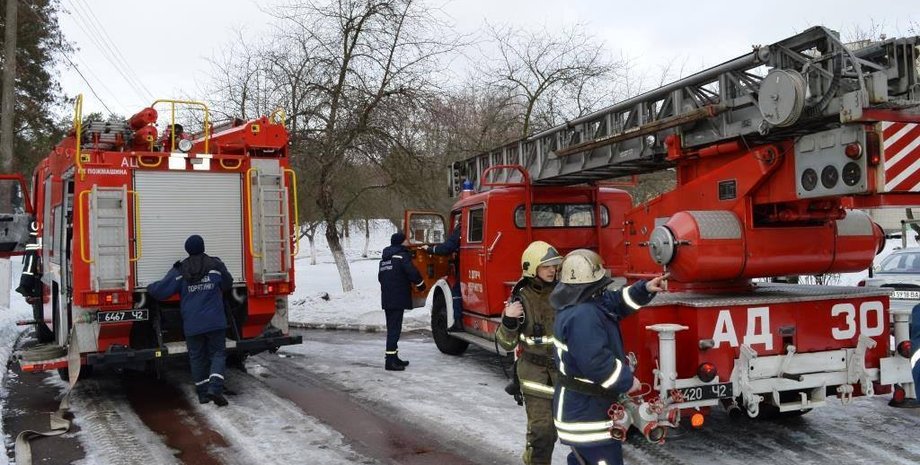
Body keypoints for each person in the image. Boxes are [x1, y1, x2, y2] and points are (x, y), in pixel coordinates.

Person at [550, 249, 667, 465]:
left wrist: (644, 290)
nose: (603, 289)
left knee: (581, 460)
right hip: (588, 417)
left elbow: (614, 302)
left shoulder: (582, 304)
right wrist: (627, 381)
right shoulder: (583, 316)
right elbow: (596, 363)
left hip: (583, 409)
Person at [495, 241, 563, 465]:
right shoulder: (520, 299)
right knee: (542, 433)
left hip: (564, 373)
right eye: (546, 266)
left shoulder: (564, 293)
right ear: (532, 268)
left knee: (570, 432)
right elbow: (506, 344)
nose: (552, 270)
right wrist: (509, 320)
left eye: (554, 266)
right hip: (535, 375)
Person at [147, 235, 233, 406]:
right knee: (217, 353)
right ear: (203, 247)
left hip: (193, 323)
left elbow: (161, 291)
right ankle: (215, 388)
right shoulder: (216, 265)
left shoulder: (180, 270)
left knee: (197, 357)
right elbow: (227, 284)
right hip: (215, 321)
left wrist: (149, 288)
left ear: (187, 250)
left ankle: (203, 394)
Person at [378, 231, 426, 371]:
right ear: (401, 242)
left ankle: (394, 357)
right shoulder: (402, 256)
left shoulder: (384, 259)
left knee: (392, 328)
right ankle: (390, 362)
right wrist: (421, 285)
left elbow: (380, 278)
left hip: (388, 298)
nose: (407, 242)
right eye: (405, 240)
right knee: (394, 330)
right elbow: (412, 272)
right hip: (398, 298)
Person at [425, 219, 462, 331]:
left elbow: (447, 248)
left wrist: (430, 249)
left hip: (465, 266)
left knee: (456, 291)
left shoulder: (461, 228)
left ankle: (458, 321)